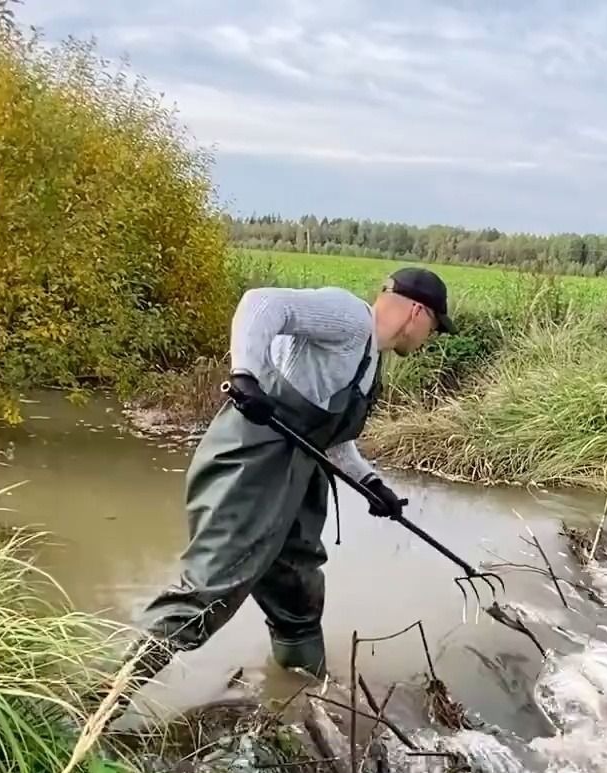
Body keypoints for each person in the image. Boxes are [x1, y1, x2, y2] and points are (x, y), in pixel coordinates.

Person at [126, 267, 453, 687]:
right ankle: (91, 704)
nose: (430, 339)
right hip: (250, 468)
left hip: (298, 480)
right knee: (208, 594)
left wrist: (372, 484)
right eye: (434, 328)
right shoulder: (351, 319)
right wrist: (245, 374)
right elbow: (262, 303)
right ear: (417, 313)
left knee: (296, 598)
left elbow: (328, 437)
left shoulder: (370, 362)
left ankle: (303, 697)